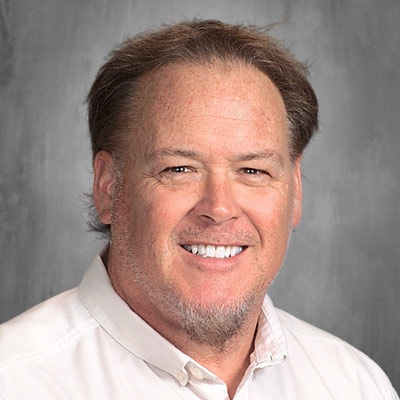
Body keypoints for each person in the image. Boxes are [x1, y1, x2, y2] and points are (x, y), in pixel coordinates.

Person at [0, 20, 398, 400]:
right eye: (179, 169)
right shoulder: (14, 380)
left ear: (294, 190)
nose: (219, 208)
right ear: (108, 187)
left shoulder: (355, 384)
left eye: (253, 171)